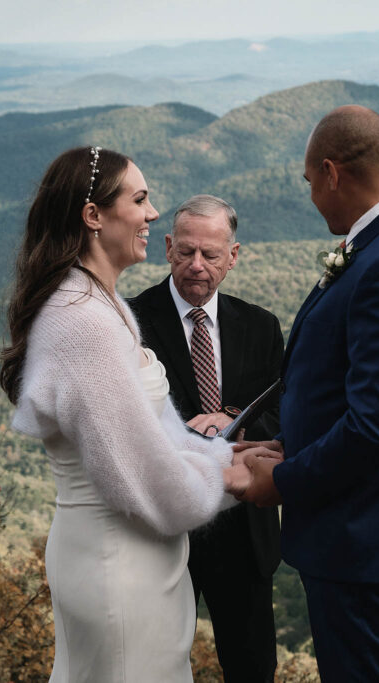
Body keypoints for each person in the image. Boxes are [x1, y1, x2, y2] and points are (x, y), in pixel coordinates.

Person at [0, 146, 251, 682]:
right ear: (94, 216)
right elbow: (140, 475)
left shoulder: (101, 303)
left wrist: (229, 451)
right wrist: (237, 479)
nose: (153, 212)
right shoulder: (85, 323)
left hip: (135, 557)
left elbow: (154, 433)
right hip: (117, 565)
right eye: (139, 199)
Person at [232, 106, 379, 681]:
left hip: (366, 530)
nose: (311, 196)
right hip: (354, 518)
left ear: (332, 172)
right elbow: (344, 389)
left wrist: (281, 482)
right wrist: (290, 445)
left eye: (310, 182)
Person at [127, 194, 283, 682]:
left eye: (210, 255)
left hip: (244, 530)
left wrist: (230, 418)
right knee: (156, 663)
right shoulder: (129, 321)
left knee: (253, 666)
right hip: (165, 529)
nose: (196, 265)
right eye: (186, 251)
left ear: (233, 256)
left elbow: (283, 413)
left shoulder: (261, 326)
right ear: (168, 247)